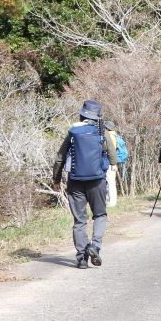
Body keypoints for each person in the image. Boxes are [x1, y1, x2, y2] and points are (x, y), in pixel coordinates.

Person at [53, 100, 118, 269]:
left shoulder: (73, 132)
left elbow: (60, 157)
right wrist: (112, 165)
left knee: (79, 221)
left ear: (81, 115)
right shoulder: (101, 131)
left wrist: (57, 179)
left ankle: (82, 258)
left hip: (75, 181)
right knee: (100, 215)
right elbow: (112, 154)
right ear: (97, 116)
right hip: (97, 180)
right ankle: (94, 247)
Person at [103, 120, 120, 208]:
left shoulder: (110, 136)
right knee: (110, 182)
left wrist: (113, 163)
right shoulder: (115, 135)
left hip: (110, 162)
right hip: (112, 162)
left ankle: (112, 202)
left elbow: (111, 150)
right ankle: (110, 200)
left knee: (110, 182)